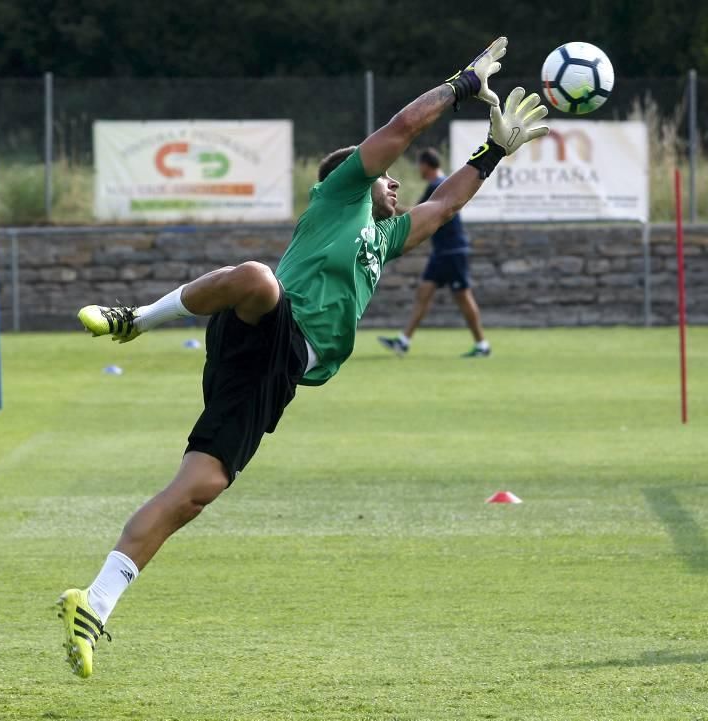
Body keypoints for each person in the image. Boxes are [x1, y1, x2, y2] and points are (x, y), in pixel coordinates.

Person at [56, 37, 549, 678]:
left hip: (282, 371)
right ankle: (138, 319)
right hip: (264, 324)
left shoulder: (387, 237)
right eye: (383, 176)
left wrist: (493, 151)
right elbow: (402, 128)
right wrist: (460, 86)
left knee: (199, 489)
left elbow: (446, 204)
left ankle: (93, 603)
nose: (395, 182)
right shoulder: (339, 200)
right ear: (353, 181)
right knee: (260, 278)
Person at [378, 147, 490, 358]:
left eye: (419, 165)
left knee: (464, 298)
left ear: (426, 165)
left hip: (452, 251)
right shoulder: (440, 183)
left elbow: (417, 214)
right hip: (442, 253)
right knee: (423, 293)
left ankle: (482, 345)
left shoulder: (437, 185)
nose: (418, 169)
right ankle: (403, 341)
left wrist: (390, 208)